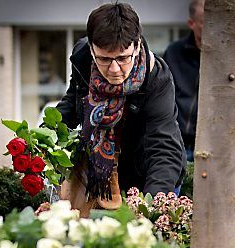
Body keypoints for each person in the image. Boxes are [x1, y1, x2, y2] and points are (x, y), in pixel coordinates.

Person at [56, 2, 185, 213]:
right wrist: (43, 137)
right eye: (104, 59)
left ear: (136, 46)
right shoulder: (83, 58)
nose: (114, 69)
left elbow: (162, 147)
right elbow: (73, 103)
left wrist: (151, 209)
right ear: (91, 48)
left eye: (123, 58)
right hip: (100, 176)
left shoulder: (156, 76)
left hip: (149, 173)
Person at [163, 0, 204, 161]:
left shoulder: (225, 57)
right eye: (204, 23)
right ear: (191, 24)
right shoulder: (174, 52)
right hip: (176, 142)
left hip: (212, 144)